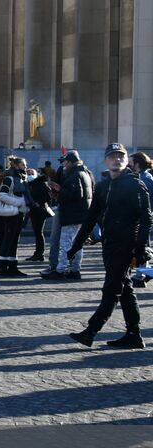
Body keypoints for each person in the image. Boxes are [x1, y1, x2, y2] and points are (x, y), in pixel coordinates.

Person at [68, 144, 152, 349]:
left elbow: (146, 218)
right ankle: (134, 334)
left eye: (120, 156)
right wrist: (76, 245)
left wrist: (141, 248)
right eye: (113, 156)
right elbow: (91, 218)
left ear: (127, 160)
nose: (117, 159)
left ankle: (91, 331)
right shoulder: (103, 186)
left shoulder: (135, 184)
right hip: (109, 244)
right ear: (106, 160)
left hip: (127, 244)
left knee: (112, 289)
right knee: (125, 290)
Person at [44, 151, 94, 280]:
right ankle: (75, 270)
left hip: (72, 214)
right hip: (81, 213)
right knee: (77, 244)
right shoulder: (84, 172)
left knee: (66, 243)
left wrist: (59, 189)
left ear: (70, 162)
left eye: (65, 162)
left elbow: (76, 195)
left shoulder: (75, 174)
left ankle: (60, 270)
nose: (63, 164)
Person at [0, 156, 30, 277]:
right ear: (16, 165)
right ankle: (3, 268)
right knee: (8, 239)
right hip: (11, 213)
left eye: (25, 165)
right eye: (23, 165)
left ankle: (13, 266)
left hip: (19, 212)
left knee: (14, 240)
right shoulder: (9, 179)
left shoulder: (22, 178)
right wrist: (19, 203)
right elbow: (2, 195)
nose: (25, 167)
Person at [26, 165, 54, 263]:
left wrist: (39, 203)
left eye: (31, 173)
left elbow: (49, 195)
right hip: (34, 210)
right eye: (28, 173)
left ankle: (39, 253)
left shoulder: (40, 183)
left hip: (40, 210)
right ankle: (38, 253)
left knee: (38, 232)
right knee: (37, 232)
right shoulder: (30, 184)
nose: (29, 175)